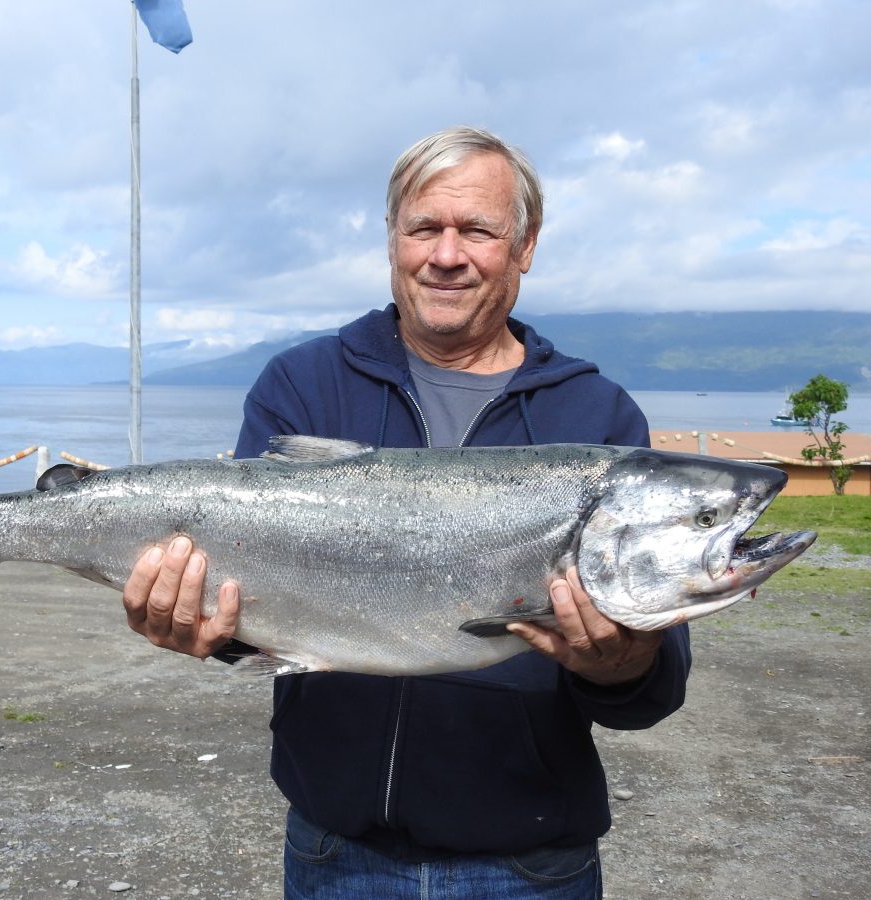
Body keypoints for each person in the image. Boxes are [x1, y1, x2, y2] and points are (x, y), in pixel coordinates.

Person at [121, 126, 691, 899]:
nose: (446, 254)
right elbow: (256, 615)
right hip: (334, 854)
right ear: (393, 238)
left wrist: (623, 664)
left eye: (478, 230)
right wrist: (201, 628)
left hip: (532, 865)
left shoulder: (598, 418)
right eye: (424, 227)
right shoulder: (302, 383)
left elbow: (651, 694)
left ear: (524, 247)